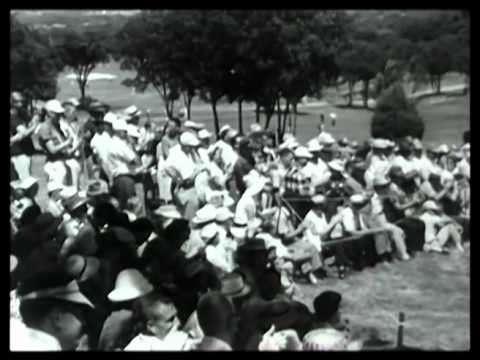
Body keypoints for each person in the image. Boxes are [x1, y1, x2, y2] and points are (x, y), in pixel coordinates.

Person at [10, 91, 37, 181]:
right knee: (24, 183)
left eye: (22, 101)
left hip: (24, 153)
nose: (21, 104)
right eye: (17, 101)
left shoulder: (21, 115)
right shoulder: (13, 117)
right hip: (18, 154)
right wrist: (34, 126)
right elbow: (24, 132)